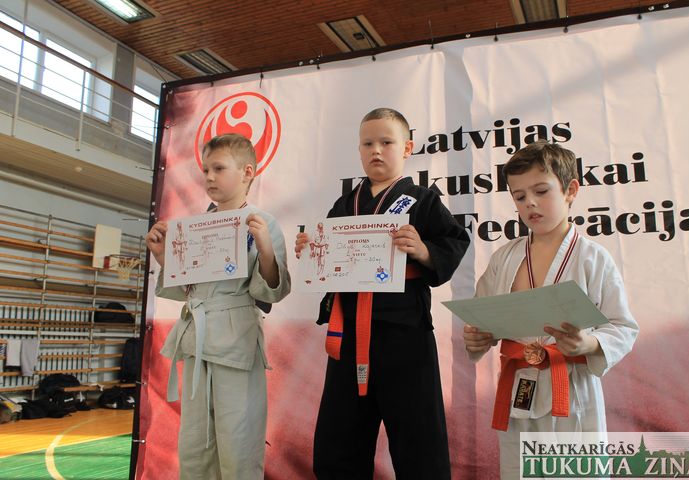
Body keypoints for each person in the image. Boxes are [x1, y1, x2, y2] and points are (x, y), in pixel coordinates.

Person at [296, 108, 470, 479]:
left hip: (405, 333)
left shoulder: (423, 200)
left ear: (407, 148)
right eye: (368, 143)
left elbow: (454, 239)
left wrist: (423, 250)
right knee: (339, 437)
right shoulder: (344, 205)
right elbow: (330, 261)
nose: (376, 150)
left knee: (418, 436)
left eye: (386, 142)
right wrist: (312, 250)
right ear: (359, 150)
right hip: (347, 335)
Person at [463, 140, 639, 479]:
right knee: (519, 471)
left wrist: (589, 343)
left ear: (570, 190)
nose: (530, 202)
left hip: (572, 387)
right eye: (519, 196)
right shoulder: (504, 258)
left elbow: (623, 326)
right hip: (519, 388)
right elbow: (481, 318)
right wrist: (477, 338)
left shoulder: (592, 258)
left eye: (541, 191)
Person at [145, 133, 291, 480]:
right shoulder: (195, 227)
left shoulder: (262, 222)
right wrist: (164, 256)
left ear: (247, 172)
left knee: (239, 441)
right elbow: (188, 289)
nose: (209, 177)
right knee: (196, 444)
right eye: (206, 170)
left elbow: (272, 292)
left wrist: (265, 248)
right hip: (197, 340)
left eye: (219, 168)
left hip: (236, 342)